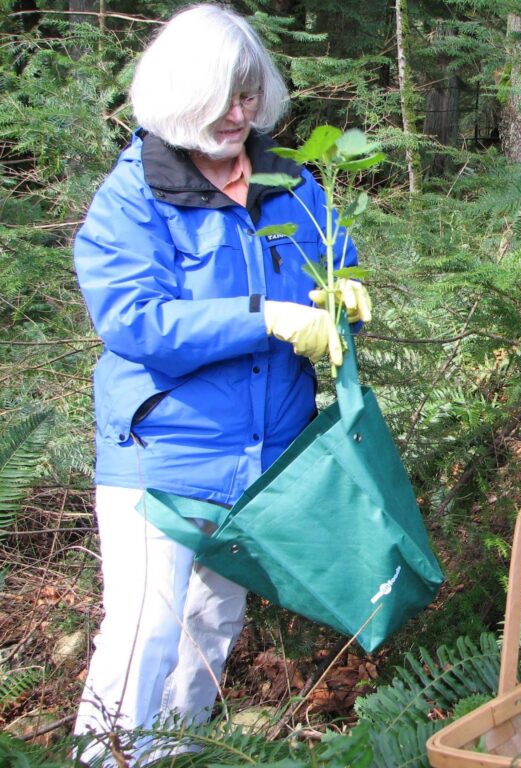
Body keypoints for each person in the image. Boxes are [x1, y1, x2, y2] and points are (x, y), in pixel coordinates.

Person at [72, 5, 363, 764]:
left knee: (208, 627)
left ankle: (173, 754)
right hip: (161, 454)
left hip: (262, 460)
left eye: (247, 94)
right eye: (220, 98)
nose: (239, 114)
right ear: (178, 95)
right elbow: (138, 322)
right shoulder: (133, 196)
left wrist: (346, 298)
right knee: (145, 632)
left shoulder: (286, 181)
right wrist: (263, 317)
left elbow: (337, 263)